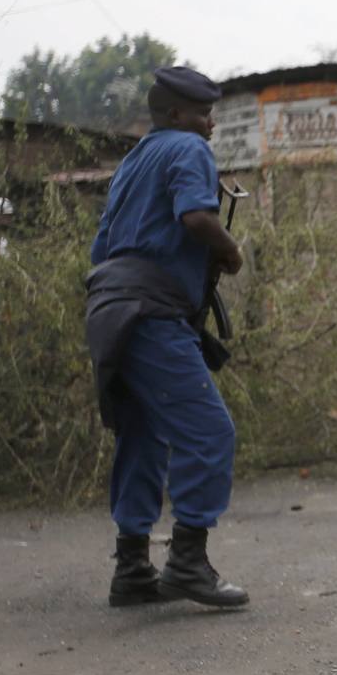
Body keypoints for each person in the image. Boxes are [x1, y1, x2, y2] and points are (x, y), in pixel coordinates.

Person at [85, 66, 249, 609]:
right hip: (149, 312)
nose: (211, 122)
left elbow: (103, 245)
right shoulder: (187, 148)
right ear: (177, 114)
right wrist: (229, 251)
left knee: (144, 432)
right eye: (204, 113)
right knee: (209, 432)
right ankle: (187, 564)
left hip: (109, 307)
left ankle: (132, 569)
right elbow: (197, 217)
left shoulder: (135, 160)